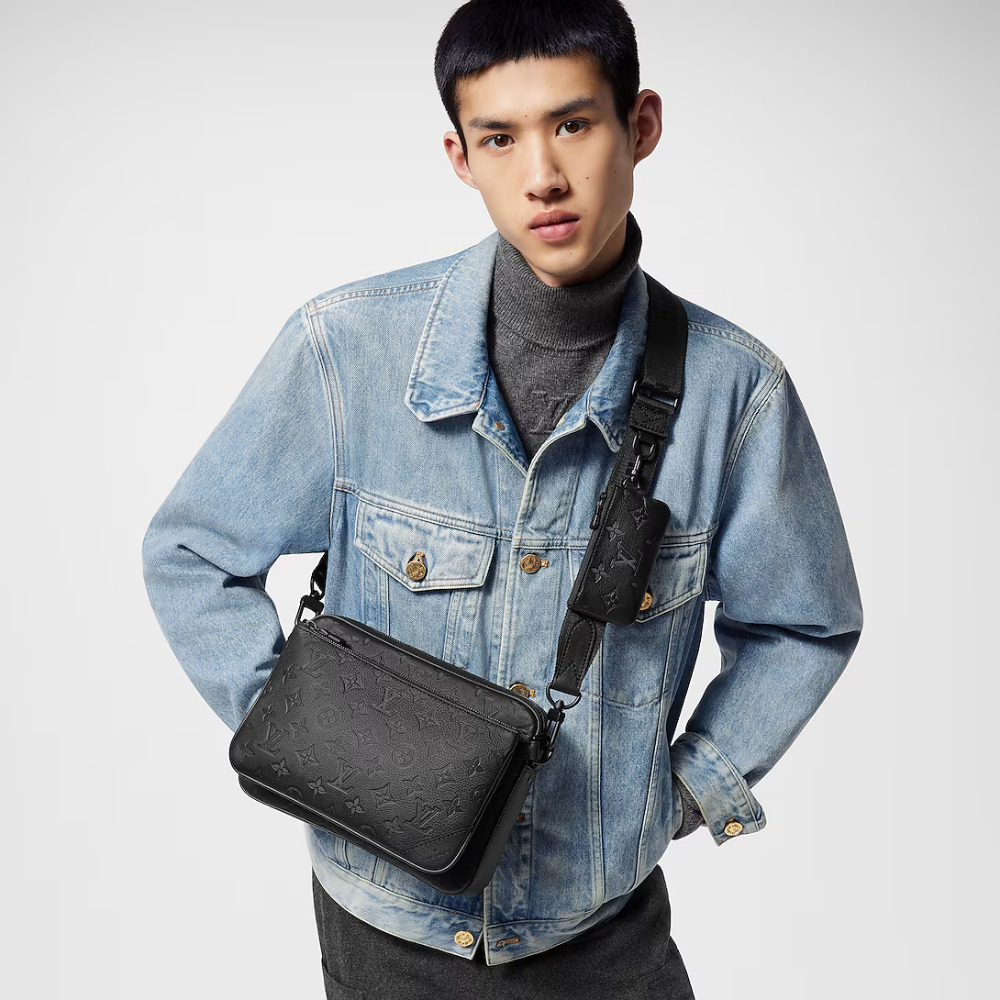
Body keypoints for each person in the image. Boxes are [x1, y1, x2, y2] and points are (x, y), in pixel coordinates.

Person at [141, 1, 863, 996]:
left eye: (573, 123)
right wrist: (301, 733)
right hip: (383, 928)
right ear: (459, 157)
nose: (542, 176)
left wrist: (683, 793)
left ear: (640, 125)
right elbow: (191, 552)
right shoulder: (346, 351)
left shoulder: (736, 393)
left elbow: (805, 623)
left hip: (601, 933)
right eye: (499, 138)